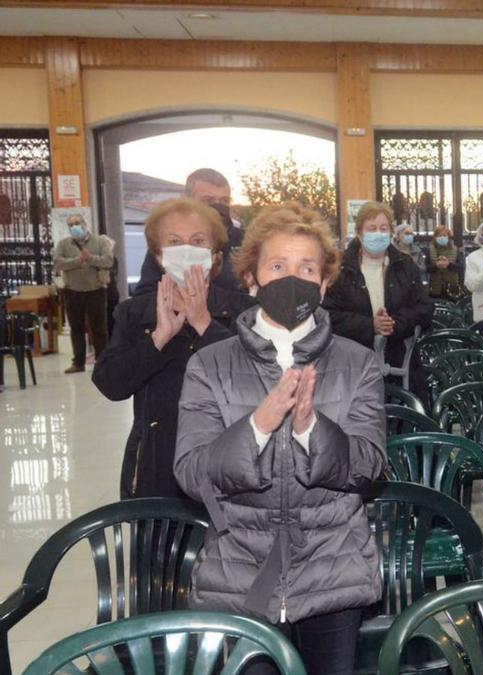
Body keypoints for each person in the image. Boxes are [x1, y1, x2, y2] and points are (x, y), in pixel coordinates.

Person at [174, 202, 385, 675]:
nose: (294, 279)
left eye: (307, 268)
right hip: (240, 575)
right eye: (278, 266)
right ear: (252, 279)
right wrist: (259, 426)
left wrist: (312, 429)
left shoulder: (357, 362)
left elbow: (369, 465)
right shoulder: (210, 365)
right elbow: (191, 472)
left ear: (325, 284)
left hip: (334, 571)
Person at [94, 198, 255, 500]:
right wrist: (158, 338)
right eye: (174, 242)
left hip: (229, 463)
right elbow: (110, 384)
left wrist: (205, 324)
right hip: (157, 462)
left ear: (215, 254)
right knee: (160, 545)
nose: (186, 250)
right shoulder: (134, 313)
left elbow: (256, 382)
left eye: (197, 241)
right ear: (158, 255)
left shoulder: (245, 312)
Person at [323, 201, 433, 402]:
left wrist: (395, 323)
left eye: (383, 228)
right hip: (353, 368)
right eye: (371, 229)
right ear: (359, 233)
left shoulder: (405, 265)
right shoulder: (341, 271)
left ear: (391, 232)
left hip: (401, 364)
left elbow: (424, 308)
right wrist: (369, 325)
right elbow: (328, 315)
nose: (378, 234)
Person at [134, 168, 245, 295]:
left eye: (224, 201)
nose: (218, 206)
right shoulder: (171, 244)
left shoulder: (244, 241)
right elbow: (145, 295)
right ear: (187, 200)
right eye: (208, 200)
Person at [53, 214, 114, 374]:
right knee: (76, 328)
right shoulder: (64, 244)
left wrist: (90, 258)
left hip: (95, 291)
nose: (74, 227)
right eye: (71, 224)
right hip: (72, 291)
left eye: (77, 223)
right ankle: (78, 362)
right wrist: (76, 261)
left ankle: (102, 361)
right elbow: (58, 263)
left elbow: (108, 261)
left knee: (99, 329)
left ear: (85, 223)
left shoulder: (100, 242)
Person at [427, 224, 461, 299]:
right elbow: (426, 269)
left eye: (444, 235)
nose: (442, 237)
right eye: (439, 236)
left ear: (448, 237)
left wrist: (448, 265)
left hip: (452, 288)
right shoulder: (430, 249)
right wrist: (436, 266)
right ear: (435, 237)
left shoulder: (455, 249)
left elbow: (461, 267)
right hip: (435, 289)